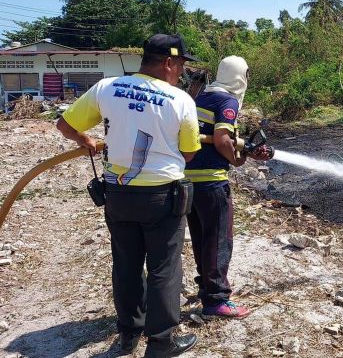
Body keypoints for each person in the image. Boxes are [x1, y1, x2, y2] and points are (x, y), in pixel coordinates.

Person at [56, 34, 202, 357]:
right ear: (167, 63)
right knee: (164, 266)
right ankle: (162, 342)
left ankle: (128, 333)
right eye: (179, 65)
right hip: (163, 198)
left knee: (126, 264)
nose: (181, 72)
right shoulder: (181, 101)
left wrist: (86, 140)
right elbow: (190, 153)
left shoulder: (107, 88)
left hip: (119, 195)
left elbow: (65, 124)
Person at [185, 55, 273, 319]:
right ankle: (216, 300)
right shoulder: (228, 100)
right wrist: (237, 159)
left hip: (189, 181)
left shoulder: (200, 97)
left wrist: (246, 148)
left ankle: (206, 287)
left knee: (202, 239)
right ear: (240, 76)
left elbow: (210, 135)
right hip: (212, 182)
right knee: (220, 240)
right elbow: (223, 139)